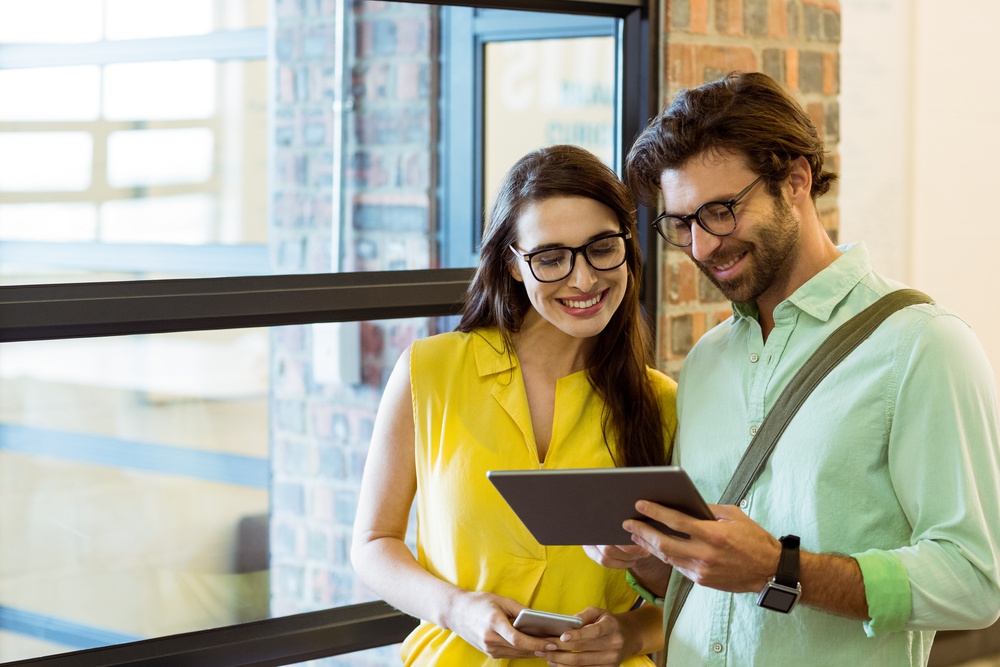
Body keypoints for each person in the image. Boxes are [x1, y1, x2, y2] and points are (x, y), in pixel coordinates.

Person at [585, 71, 1000, 666]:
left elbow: (975, 583)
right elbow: (706, 585)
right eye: (682, 224)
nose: (702, 247)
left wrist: (780, 569)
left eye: (722, 211)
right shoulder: (706, 360)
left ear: (796, 179)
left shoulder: (922, 344)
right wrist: (650, 558)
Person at [351, 144, 678, 666]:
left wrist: (632, 630)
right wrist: (456, 608)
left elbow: (700, 588)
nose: (583, 279)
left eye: (601, 248)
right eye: (550, 258)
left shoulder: (661, 402)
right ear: (512, 265)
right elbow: (372, 544)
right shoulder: (429, 372)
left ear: (628, 245)